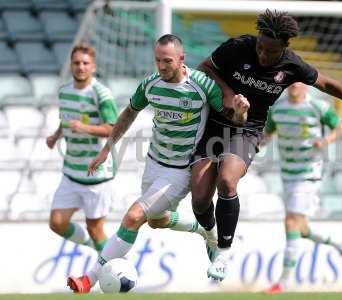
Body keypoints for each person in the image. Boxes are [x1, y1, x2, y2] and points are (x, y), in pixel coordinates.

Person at [191, 9, 342, 282]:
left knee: (228, 181)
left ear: (285, 48)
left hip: (247, 129)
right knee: (200, 199)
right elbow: (204, 67)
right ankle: (211, 235)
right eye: (261, 47)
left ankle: (224, 252)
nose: (263, 55)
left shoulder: (292, 65)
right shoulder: (238, 46)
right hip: (216, 121)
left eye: (271, 52)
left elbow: (324, 82)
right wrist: (228, 95)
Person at [67, 34, 249, 293]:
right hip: (154, 163)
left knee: (133, 217)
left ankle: (89, 278)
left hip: (180, 171)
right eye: (158, 61)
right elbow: (129, 112)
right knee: (156, 220)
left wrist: (241, 111)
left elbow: (232, 117)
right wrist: (108, 148)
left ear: (181, 59)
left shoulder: (201, 85)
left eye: (167, 61)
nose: (162, 67)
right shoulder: (151, 84)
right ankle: (205, 232)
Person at [262, 82, 342, 293]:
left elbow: (340, 127)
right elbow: (267, 134)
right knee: (300, 228)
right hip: (287, 173)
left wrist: (326, 140)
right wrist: (255, 145)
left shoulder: (318, 107)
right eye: (290, 81)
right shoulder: (277, 109)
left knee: (291, 222)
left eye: (298, 81)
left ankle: (282, 283)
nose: (294, 85)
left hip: (309, 173)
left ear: (305, 85)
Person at [46, 43, 118, 253]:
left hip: (96, 174)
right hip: (71, 171)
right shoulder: (64, 91)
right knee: (57, 222)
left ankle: (115, 270)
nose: (80, 67)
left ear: (93, 67)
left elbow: (113, 129)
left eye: (85, 63)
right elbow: (66, 119)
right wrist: (56, 135)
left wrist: (84, 127)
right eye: (76, 63)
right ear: (71, 65)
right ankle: (95, 247)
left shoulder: (101, 94)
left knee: (95, 228)